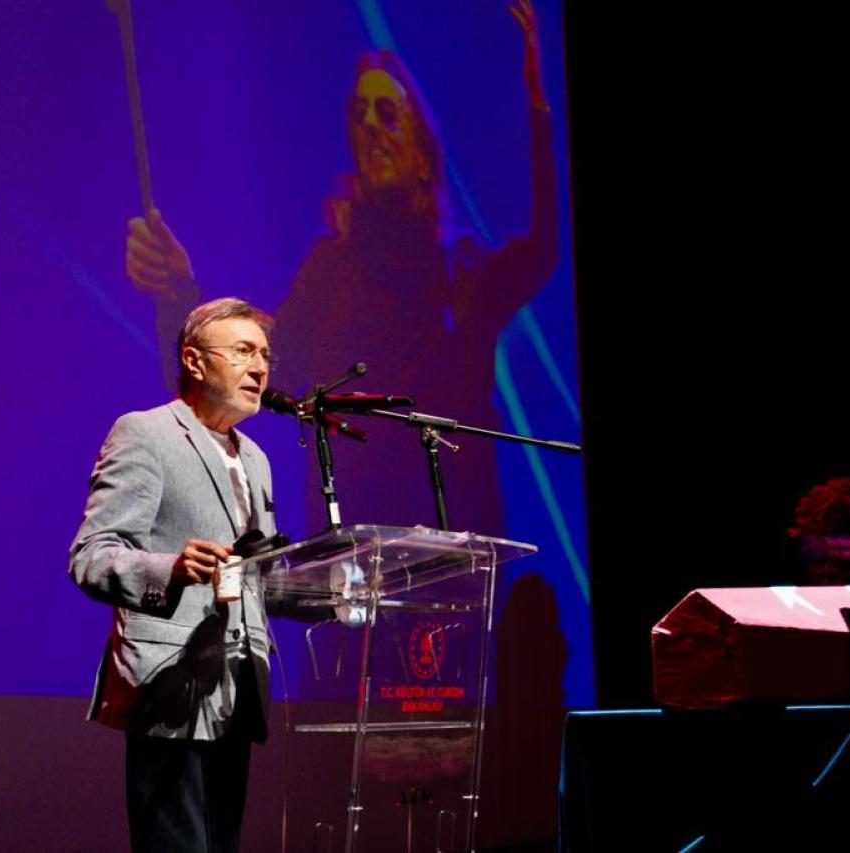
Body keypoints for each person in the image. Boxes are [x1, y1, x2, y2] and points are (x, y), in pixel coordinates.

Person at [124, 0, 558, 536]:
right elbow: (261, 361)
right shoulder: (333, 268)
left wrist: (539, 103)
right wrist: (179, 293)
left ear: (424, 155)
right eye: (360, 114)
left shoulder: (464, 270)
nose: (371, 124)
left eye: (388, 113)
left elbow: (541, 251)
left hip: (454, 529)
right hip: (357, 535)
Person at [69, 297, 278, 852]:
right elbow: (91, 555)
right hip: (169, 684)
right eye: (243, 351)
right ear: (194, 360)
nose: (259, 367)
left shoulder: (256, 459)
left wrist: (337, 592)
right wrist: (173, 569)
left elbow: (253, 576)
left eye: (265, 355)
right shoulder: (146, 434)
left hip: (236, 687)